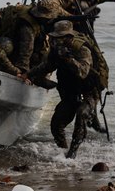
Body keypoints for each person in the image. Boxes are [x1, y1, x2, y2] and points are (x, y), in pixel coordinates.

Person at [23, 21, 103, 159]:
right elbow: (47, 66)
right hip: (70, 92)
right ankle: (62, 151)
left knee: (81, 114)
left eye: (60, 37)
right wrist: (28, 74)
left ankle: (72, 154)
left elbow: (83, 72)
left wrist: (68, 58)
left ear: (68, 37)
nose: (56, 40)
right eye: (55, 37)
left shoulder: (82, 49)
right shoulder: (56, 50)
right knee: (56, 124)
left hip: (88, 91)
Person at [10, 0, 60, 73]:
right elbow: (26, 51)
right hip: (14, 45)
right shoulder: (28, 25)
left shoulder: (34, 13)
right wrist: (24, 72)